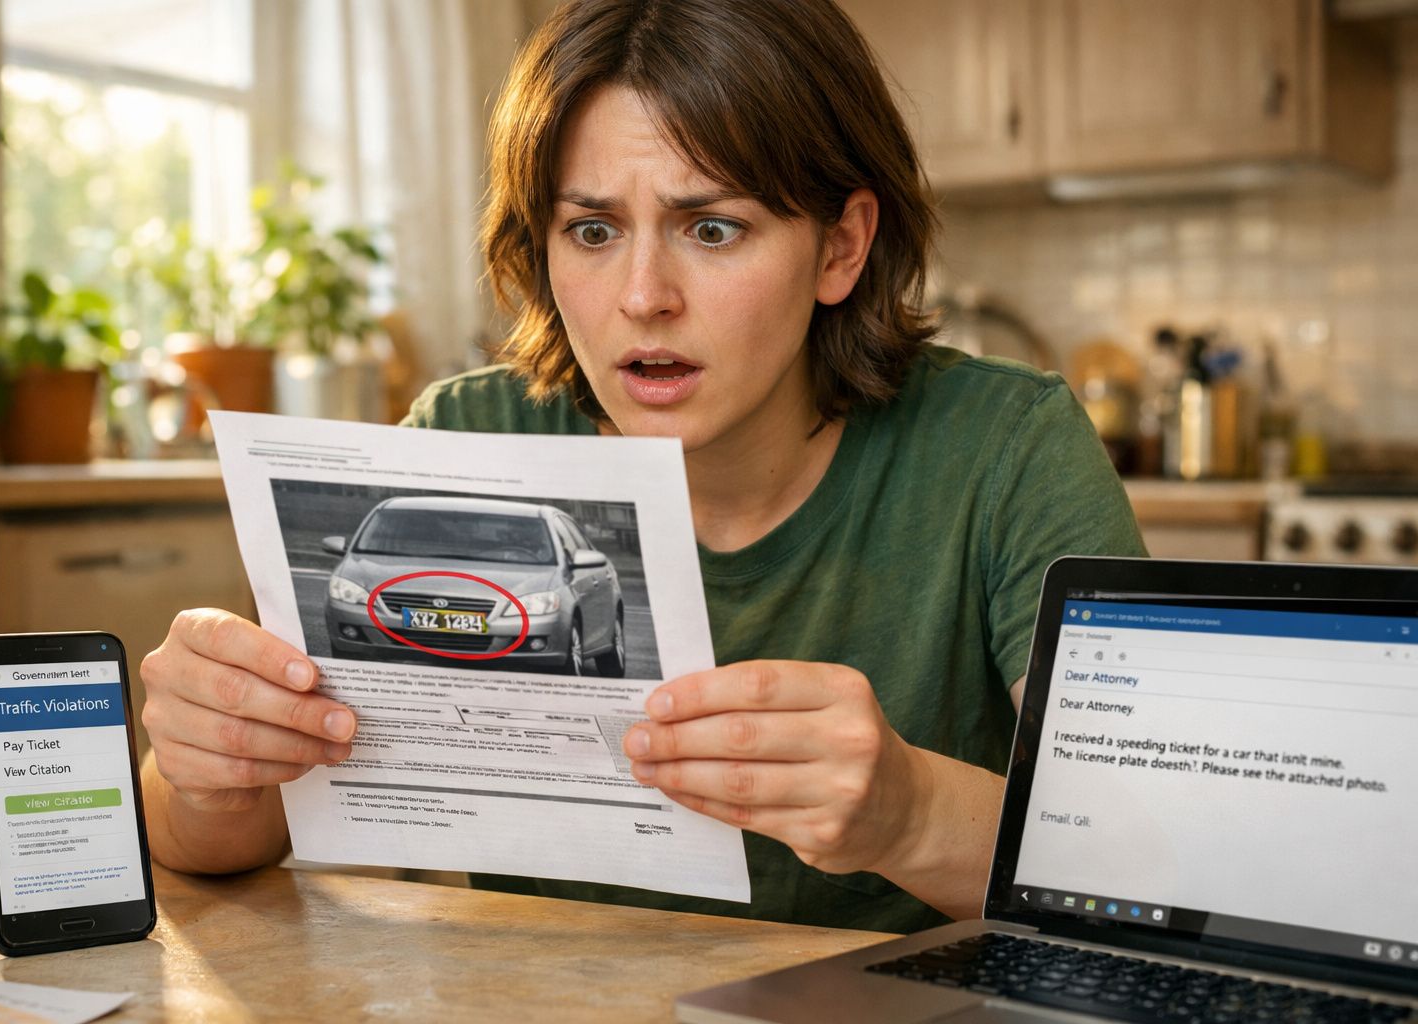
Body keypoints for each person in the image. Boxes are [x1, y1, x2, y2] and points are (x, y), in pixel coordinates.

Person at [138, 0, 1145, 934]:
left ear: (841, 246)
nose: (643, 296)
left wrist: (913, 812)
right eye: (593, 230)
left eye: (713, 227)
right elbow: (217, 840)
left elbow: (1161, 866)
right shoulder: (462, 444)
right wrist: (208, 769)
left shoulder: (1007, 451)